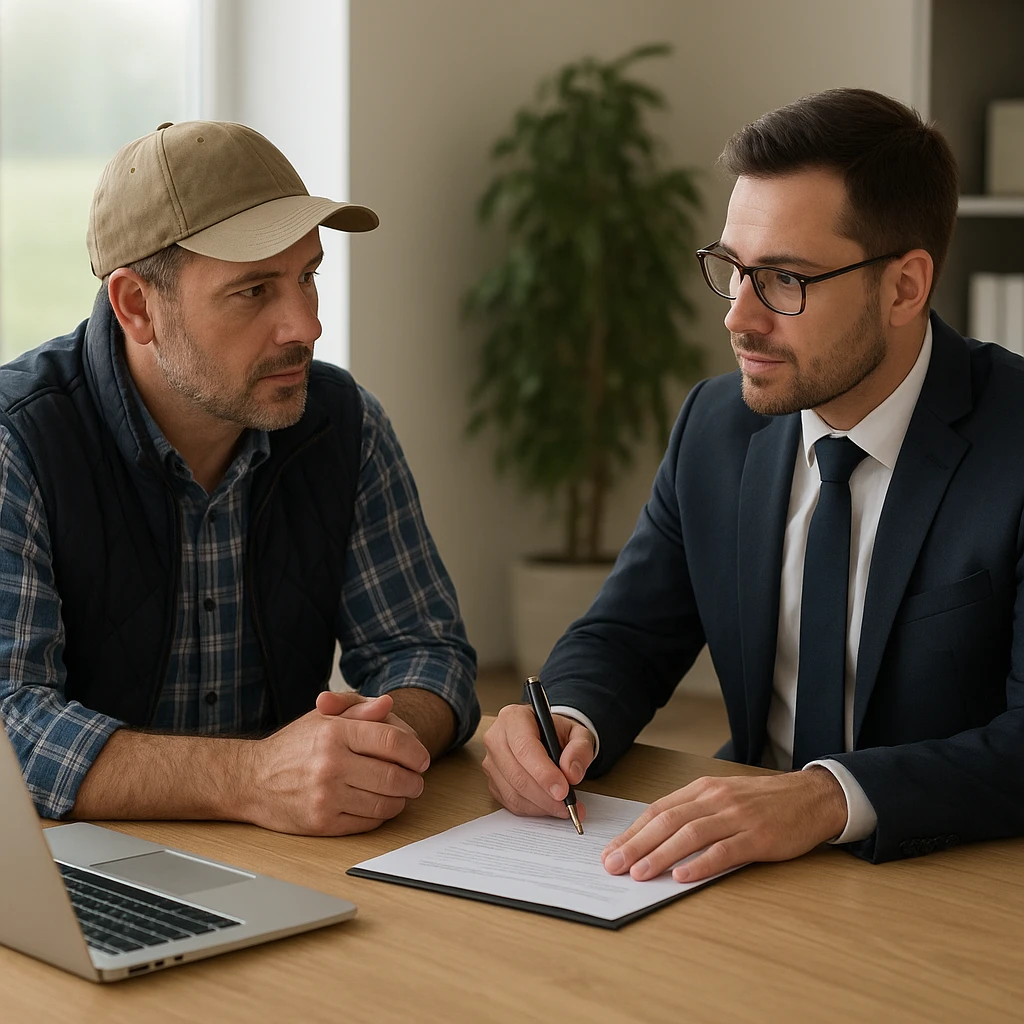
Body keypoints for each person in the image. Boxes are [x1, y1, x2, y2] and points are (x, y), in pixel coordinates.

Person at [482, 87, 1024, 879]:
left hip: (951, 875)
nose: (739, 318)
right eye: (732, 269)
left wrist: (824, 798)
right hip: (743, 865)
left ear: (906, 287)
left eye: (784, 280)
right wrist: (565, 721)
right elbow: (627, 635)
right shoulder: (716, 424)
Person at [0, 120, 479, 836]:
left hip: (288, 854)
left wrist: (380, 738)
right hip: (79, 867)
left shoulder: (344, 423)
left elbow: (427, 652)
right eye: (254, 291)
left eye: (307, 277)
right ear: (136, 306)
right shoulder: (21, 439)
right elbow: (11, 722)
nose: (306, 327)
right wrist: (249, 779)